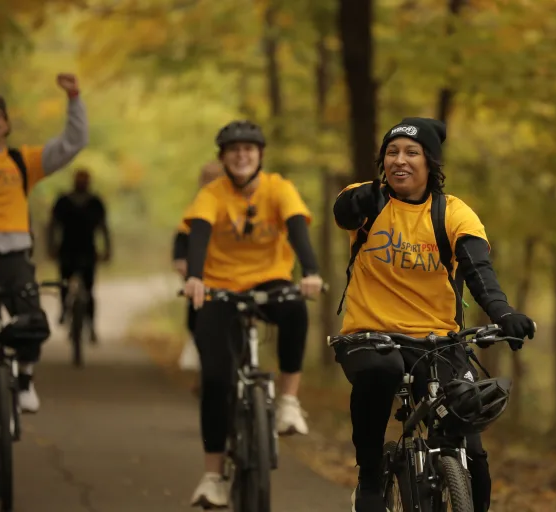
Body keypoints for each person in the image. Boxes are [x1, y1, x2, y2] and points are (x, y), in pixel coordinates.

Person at [332, 117, 536, 512]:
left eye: (412, 153)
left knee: (472, 454)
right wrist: (360, 201)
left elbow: (477, 270)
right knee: (381, 371)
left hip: (438, 341)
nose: (399, 161)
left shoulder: (454, 213)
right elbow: (344, 212)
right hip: (370, 335)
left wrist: (502, 311)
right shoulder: (366, 200)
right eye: (392, 152)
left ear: (431, 164)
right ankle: (370, 476)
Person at [182, 120, 324, 508]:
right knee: (215, 379)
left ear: (260, 155)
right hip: (220, 287)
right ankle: (213, 476)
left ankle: (288, 402)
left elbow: (297, 229)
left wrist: (309, 271)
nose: (241, 155)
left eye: (249, 149)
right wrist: (194, 276)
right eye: (233, 150)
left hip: (269, 281)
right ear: (223, 158)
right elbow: (198, 233)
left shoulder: (279, 188)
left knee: (295, 308)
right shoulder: (212, 194)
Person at [0, 74, 88, 477]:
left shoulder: (22, 161)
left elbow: (72, 143)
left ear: (6, 125)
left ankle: (23, 382)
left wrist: (74, 98)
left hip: (14, 257)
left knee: (32, 321)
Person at [47, 168, 111, 343]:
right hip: (66, 249)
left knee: (89, 291)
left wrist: (107, 250)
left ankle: (91, 325)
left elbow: (104, 227)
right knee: (64, 285)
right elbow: (52, 225)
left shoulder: (95, 202)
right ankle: (63, 312)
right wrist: (51, 247)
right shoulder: (63, 201)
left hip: (88, 251)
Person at [172, 160, 224, 357]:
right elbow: (182, 236)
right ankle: (204, 365)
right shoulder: (197, 206)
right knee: (197, 316)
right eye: (207, 179)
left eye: (216, 178)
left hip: (232, 269)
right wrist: (181, 259)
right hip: (202, 269)